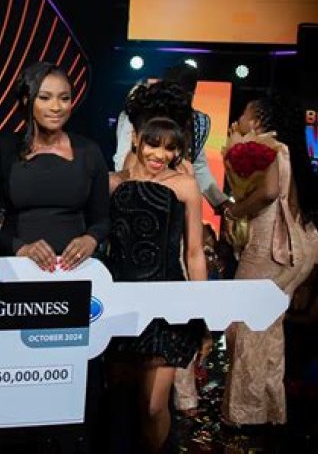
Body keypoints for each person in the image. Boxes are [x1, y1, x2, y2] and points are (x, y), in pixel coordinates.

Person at [106, 113, 207, 453]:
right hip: (120, 303)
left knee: (153, 406)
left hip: (168, 306)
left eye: (170, 148)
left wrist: (201, 310)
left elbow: (194, 252)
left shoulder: (185, 185)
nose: (160, 155)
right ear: (136, 138)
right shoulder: (111, 183)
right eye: (153, 144)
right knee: (120, 400)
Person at [221, 95, 317, 427]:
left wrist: (234, 211)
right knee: (270, 329)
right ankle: (271, 410)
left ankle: (245, 414)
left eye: (243, 113)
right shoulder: (287, 150)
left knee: (244, 326)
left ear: (257, 120)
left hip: (269, 250)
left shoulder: (266, 148)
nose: (238, 119)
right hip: (294, 249)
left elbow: (269, 192)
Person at [0, 61, 109, 270]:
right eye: (45, 98)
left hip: (75, 269)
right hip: (16, 268)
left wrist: (90, 239)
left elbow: (102, 219)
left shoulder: (88, 151)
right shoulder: (4, 149)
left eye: (64, 98)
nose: (56, 107)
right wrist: (21, 248)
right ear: (27, 100)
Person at [114, 64, 230, 212]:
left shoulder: (193, 122)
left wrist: (221, 203)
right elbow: (122, 158)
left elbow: (199, 166)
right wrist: (129, 191)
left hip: (176, 200)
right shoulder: (140, 115)